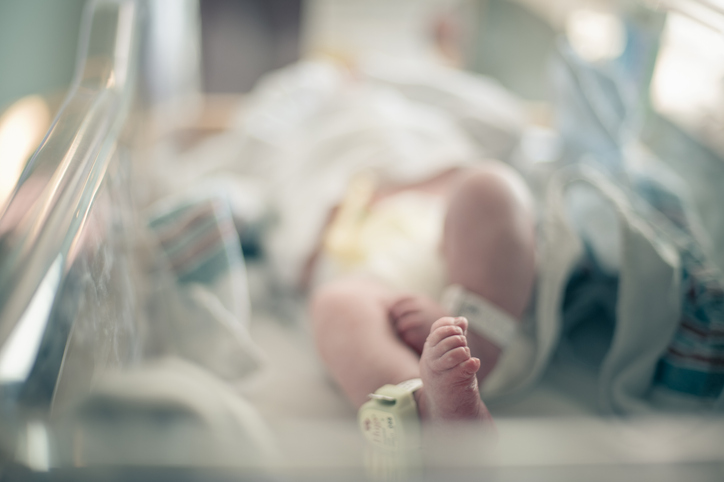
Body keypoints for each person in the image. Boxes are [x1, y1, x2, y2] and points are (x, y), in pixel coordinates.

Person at [308, 161, 537, 428]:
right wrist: (329, 223)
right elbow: (300, 273)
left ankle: (476, 342)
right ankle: (426, 405)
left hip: (466, 271)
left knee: (487, 185)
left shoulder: (433, 181)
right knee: (336, 301)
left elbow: (459, 169)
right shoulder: (339, 206)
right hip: (381, 299)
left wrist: (405, 187)